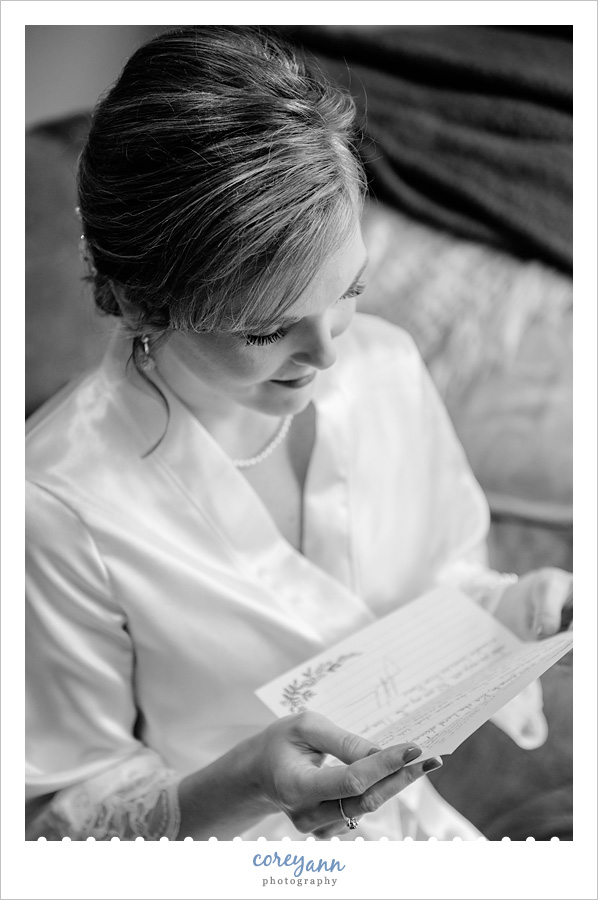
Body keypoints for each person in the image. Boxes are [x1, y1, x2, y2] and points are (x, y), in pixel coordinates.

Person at [26, 25, 572, 841]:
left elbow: (442, 582)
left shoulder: (386, 365)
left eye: (350, 290)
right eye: (266, 330)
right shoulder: (54, 503)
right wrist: (248, 784)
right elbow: (59, 813)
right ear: (141, 305)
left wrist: (516, 610)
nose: (329, 353)